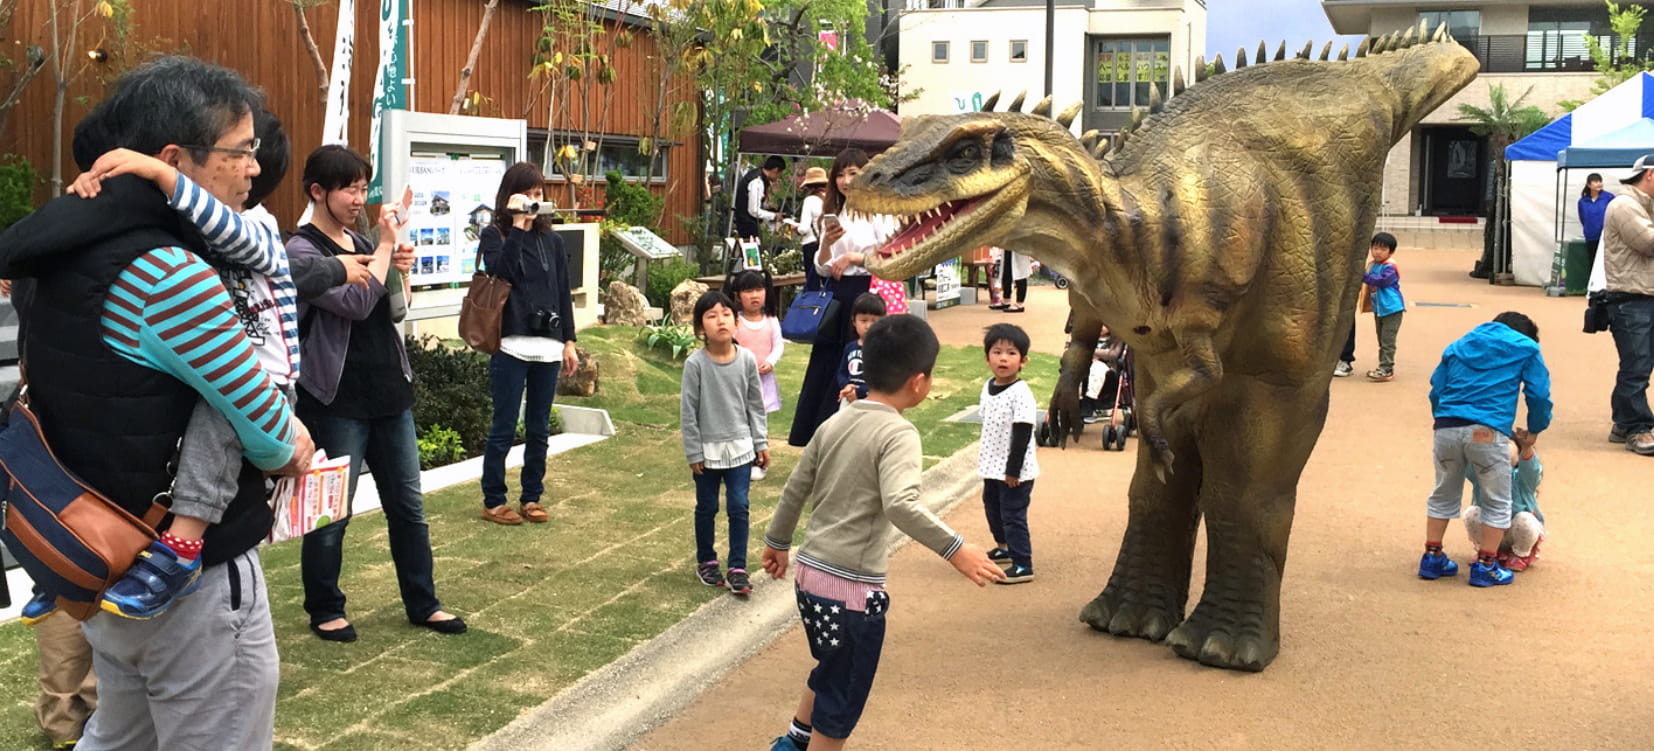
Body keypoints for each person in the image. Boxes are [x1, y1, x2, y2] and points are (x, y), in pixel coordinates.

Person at [0, 55, 310, 750]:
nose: (254, 169)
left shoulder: (56, 257)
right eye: (242, 151)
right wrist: (294, 439)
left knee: (119, 736)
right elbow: (264, 433)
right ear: (176, 159)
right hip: (186, 590)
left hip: (100, 558)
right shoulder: (170, 274)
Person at [56, 110, 376, 620]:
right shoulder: (185, 232)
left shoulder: (258, 226)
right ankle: (73, 551)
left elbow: (227, 231)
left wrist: (164, 177)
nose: (246, 168)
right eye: (238, 153)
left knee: (212, 441)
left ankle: (183, 546)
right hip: (230, 368)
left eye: (249, 154)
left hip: (267, 376)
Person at [762, 315, 1004, 751]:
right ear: (918, 382)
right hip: (850, 592)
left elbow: (797, 485)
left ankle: (792, 742)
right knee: (842, 695)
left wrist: (777, 543)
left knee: (830, 664)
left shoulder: (836, 421)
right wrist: (957, 549)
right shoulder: (899, 434)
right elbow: (900, 504)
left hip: (810, 578)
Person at [288, 144, 467, 641]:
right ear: (318, 192)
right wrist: (386, 247)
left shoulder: (362, 240)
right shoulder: (302, 251)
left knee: (408, 507)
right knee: (333, 512)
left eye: (363, 187)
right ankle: (325, 607)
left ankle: (423, 601)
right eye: (349, 188)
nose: (358, 198)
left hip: (390, 392)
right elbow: (354, 303)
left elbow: (392, 310)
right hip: (337, 398)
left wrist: (400, 270)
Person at [477, 162, 581, 525]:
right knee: (504, 426)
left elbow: (561, 292)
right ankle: (493, 500)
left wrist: (568, 340)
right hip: (510, 343)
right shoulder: (495, 235)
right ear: (510, 197)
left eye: (540, 195)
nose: (536, 202)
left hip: (548, 346)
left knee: (539, 427)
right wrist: (518, 227)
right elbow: (501, 273)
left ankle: (531, 496)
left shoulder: (552, 241)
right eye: (529, 195)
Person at [1419, 312, 1551, 588]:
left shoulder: (1459, 345)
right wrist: (1535, 429)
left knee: (1443, 491)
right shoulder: (1526, 347)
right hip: (1488, 430)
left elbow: (1436, 389)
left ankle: (1432, 556)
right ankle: (1486, 565)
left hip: (1446, 426)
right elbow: (1538, 393)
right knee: (1496, 498)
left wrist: (1443, 418)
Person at [789, 149, 888, 447]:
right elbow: (821, 265)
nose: (846, 181)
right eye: (841, 175)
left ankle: (858, 438)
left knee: (860, 361)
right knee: (826, 363)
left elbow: (889, 252)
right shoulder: (833, 211)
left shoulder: (878, 210)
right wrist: (827, 245)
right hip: (835, 295)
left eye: (853, 173)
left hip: (866, 294)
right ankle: (819, 436)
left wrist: (854, 256)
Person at [682, 290, 771, 596]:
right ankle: (706, 560)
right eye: (711, 315)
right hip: (706, 452)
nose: (720, 321)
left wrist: (761, 442)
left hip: (742, 449)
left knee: (739, 506)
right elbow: (688, 412)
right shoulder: (695, 365)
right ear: (699, 327)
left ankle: (737, 567)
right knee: (706, 507)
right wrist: (693, 450)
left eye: (726, 314)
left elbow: (754, 405)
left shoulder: (746, 359)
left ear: (736, 322)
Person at [1600, 155, 1654, 455]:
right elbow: (1648, 242)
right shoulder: (1624, 205)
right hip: (1631, 298)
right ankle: (1636, 427)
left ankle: (1624, 423)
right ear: (1651, 175)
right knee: (1636, 366)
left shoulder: (1643, 205)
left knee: (1639, 364)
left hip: (1644, 295)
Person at [979, 323, 1039, 584]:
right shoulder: (987, 386)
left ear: (1023, 360)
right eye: (997, 352)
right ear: (987, 357)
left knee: (1013, 515)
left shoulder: (1021, 394)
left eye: (1011, 353)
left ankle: (1023, 563)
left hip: (1015, 470)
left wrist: (1012, 471)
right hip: (991, 465)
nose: (1003, 358)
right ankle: (1003, 547)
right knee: (992, 507)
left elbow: (1023, 434)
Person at [1462, 428, 1545, 572]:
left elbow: (1531, 470)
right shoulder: (1483, 474)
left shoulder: (1522, 478)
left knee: (1525, 519)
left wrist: (1527, 447)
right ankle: (1487, 550)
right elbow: (1470, 468)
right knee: (1471, 513)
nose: (1500, 449)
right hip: (1491, 529)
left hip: (1516, 531)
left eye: (1505, 443)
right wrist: (1476, 444)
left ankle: (1520, 554)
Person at [727, 269, 784, 479]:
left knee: (759, 422)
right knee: (739, 422)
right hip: (739, 383)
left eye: (759, 290)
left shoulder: (771, 320)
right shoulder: (735, 321)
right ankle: (739, 460)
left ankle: (759, 461)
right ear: (737, 296)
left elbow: (778, 346)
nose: (754, 296)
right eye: (748, 291)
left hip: (764, 382)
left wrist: (770, 361)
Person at [1360, 232, 1404, 381]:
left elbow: (1383, 281)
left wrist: (1363, 276)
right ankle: (1384, 366)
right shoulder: (1373, 265)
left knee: (1387, 340)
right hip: (1380, 309)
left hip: (1392, 309)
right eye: (1375, 248)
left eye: (1383, 249)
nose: (1378, 252)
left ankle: (1386, 368)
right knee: (1382, 339)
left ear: (1390, 252)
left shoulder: (1389, 267)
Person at [837, 293, 885, 406]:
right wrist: (847, 386)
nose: (868, 326)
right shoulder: (850, 348)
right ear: (854, 321)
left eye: (874, 321)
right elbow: (841, 372)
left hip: (872, 401)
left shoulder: (882, 350)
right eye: (863, 321)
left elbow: (882, 378)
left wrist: (860, 392)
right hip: (848, 397)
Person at [790, 167, 829, 291]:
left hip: (811, 244)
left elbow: (804, 228)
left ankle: (812, 308)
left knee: (813, 283)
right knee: (827, 281)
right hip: (827, 245)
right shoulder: (830, 198)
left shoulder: (809, 200)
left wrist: (795, 227)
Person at [734, 156, 785, 239]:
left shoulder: (755, 174)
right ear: (775, 170)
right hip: (748, 225)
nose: (778, 177)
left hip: (746, 222)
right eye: (780, 174)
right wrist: (774, 216)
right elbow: (753, 210)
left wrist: (767, 207)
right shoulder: (757, 182)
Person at [1580, 172, 1611, 270]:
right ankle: (1593, 285)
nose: (1599, 184)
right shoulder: (1583, 202)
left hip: (1606, 237)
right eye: (1596, 181)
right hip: (1591, 237)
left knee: (1607, 263)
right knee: (1593, 263)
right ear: (1589, 184)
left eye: (1600, 181)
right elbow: (1583, 218)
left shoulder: (1609, 197)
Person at [989, 247, 1031, 313]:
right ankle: (1006, 300)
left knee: (1020, 275)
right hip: (1008, 248)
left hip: (1020, 248)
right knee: (1006, 274)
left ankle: (1019, 304)